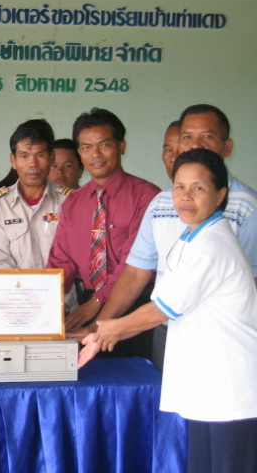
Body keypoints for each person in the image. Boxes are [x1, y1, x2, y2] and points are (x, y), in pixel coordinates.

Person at [79, 149, 257, 473]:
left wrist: (105, 331)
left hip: (231, 387)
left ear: (220, 195)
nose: (185, 197)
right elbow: (158, 308)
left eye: (198, 188)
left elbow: (160, 311)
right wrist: (105, 334)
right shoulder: (191, 236)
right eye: (179, 187)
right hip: (207, 384)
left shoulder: (212, 244)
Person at [83, 104, 257, 370]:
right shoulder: (164, 204)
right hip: (170, 329)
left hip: (218, 333)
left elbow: (166, 307)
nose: (194, 145)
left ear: (227, 147)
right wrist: (102, 328)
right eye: (187, 137)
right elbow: (137, 273)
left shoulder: (235, 218)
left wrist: (110, 330)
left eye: (207, 136)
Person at [45, 108, 160, 358]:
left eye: (104, 145)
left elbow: (133, 266)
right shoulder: (74, 202)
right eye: (86, 147)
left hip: (135, 308)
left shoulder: (148, 196)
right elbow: (60, 262)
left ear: (122, 146)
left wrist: (98, 302)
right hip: (85, 308)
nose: (95, 154)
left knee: (132, 376)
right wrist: (44, 303)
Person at [0, 119, 69, 269]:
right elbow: (1, 261)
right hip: (14, 284)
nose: (33, 164)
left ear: (52, 158)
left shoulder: (69, 200)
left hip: (61, 284)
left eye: (40, 155)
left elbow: (73, 254)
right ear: (13, 160)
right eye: (24, 156)